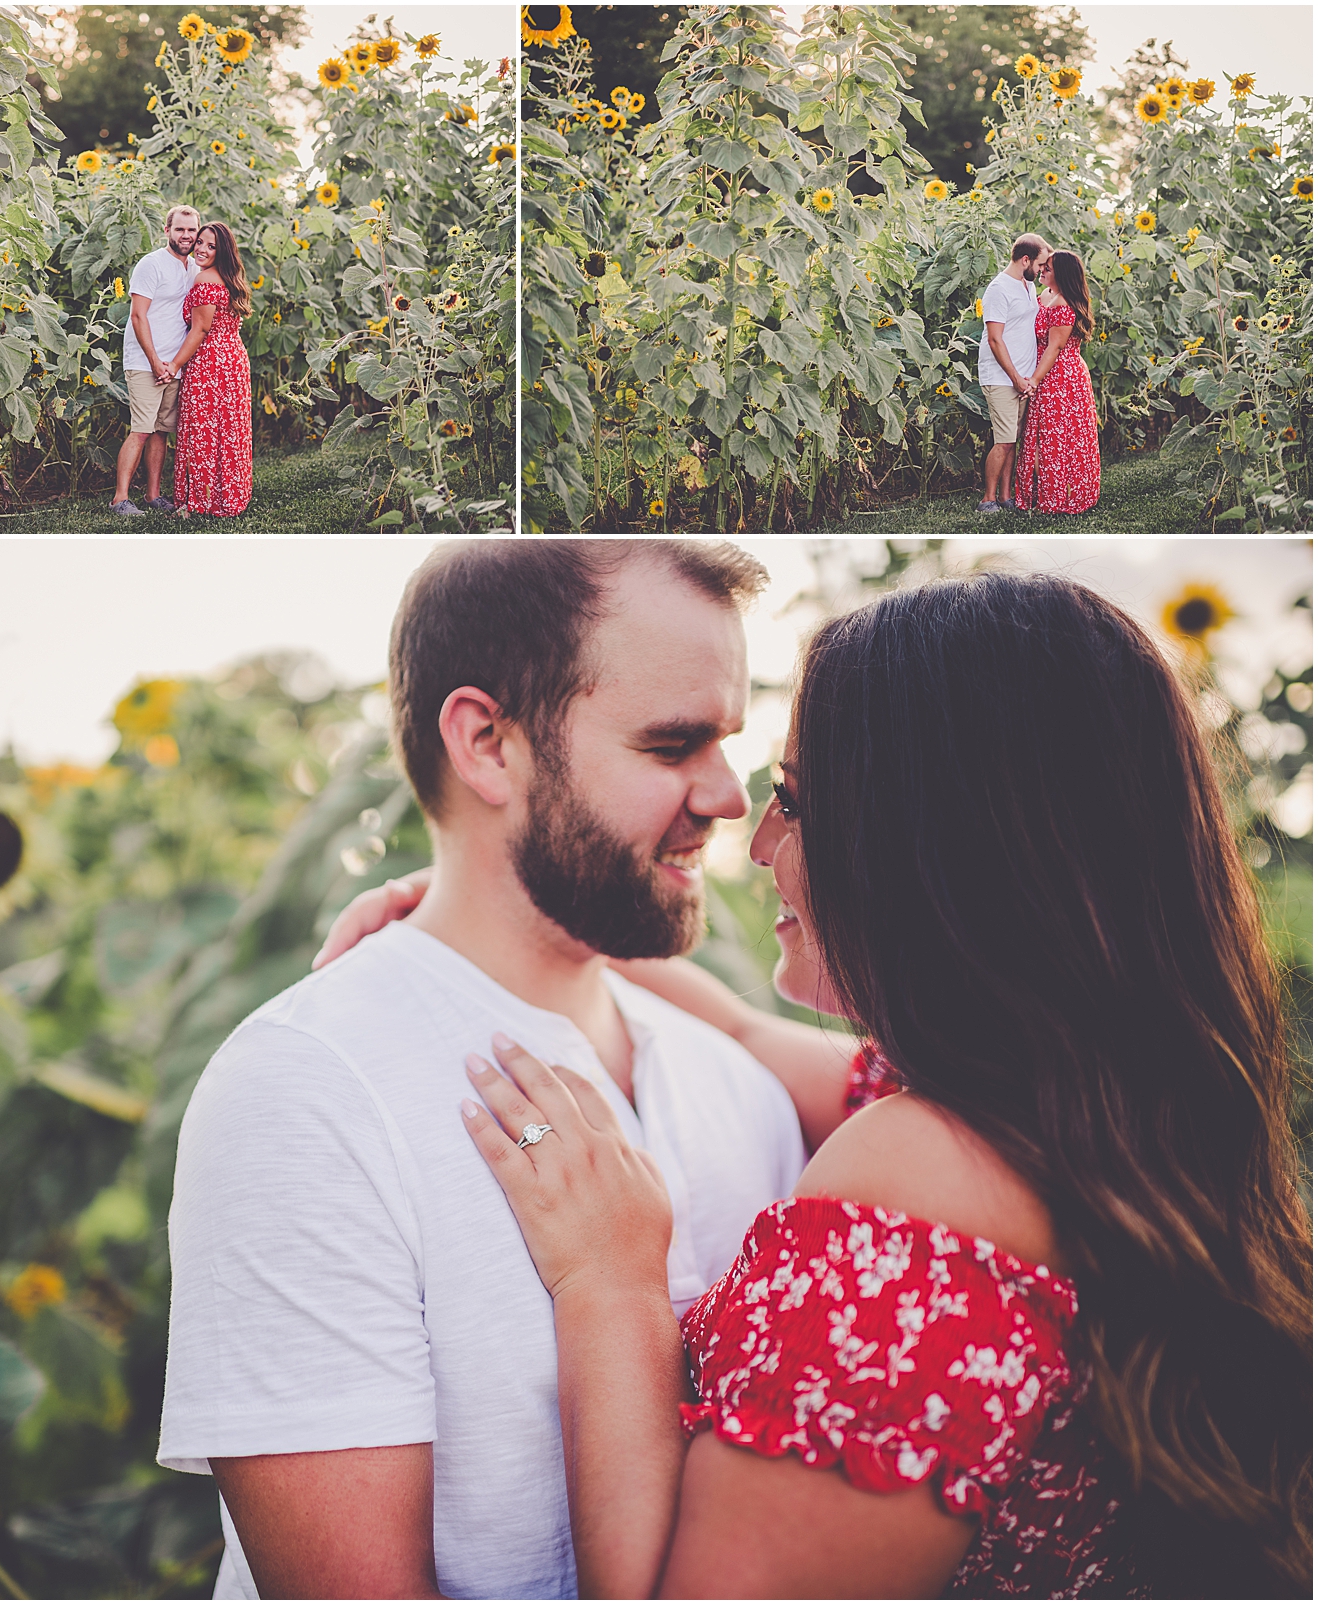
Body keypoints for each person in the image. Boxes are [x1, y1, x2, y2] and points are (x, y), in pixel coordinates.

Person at [453, 572, 1311, 1598]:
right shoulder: (1093, 1113)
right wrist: (489, 902)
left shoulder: (914, 1176)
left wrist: (611, 1285)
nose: (762, 843)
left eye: (797, 803)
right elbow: (742, 1027)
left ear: (939, 845)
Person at [156, 542, 854, 1598]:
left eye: (725, 742)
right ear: (488, 744)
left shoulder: (742, 1084)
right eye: (673, 745)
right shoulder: (305, 1094)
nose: (724, 797)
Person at [111, 205, 199, 517]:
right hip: (146, 362)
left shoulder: (193, 268)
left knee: (161, 430)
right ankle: (120, 498)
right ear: (167, 231)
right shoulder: (151, 265)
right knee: (141, 429)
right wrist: (154, 361)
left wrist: (172, 364)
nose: (186, 235)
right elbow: (138, 316)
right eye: (180, 229)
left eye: (191, 230)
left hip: (173, 364)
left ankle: (152, 495)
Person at [166, 220, 255, 519]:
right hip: (233, 359)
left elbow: (200, 329)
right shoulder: (229, 279)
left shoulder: (204, 280)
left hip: (210, 362)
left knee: (204, 428)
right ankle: (229, 495)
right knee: (227, 430)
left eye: (211, 245)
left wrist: (174, 364)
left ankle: (204, 500)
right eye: (200, 242)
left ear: (223, 251)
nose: (201, 249)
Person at [1014, 248, 1102, 514]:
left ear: (1060, 275)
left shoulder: (1064, 305)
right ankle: (1044, 494)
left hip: (1062, 377)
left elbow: (1054, 347)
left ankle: (1059, 497)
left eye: (1048, 268)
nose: (1042, 270)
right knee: (1043, 434)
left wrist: (1033, 381)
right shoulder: (1046, 295)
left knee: (1058, 437)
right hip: (1048, 373)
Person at [975, 233, 1049, 514]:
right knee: (1004, 440)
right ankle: (987, 499)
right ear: (1025, 259)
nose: (1042, 270)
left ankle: (1006, 497)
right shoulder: (999, 289)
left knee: (1012, 439)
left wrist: (1027, 378)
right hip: (1002, 377)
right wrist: (1017, 378)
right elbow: (995, 339)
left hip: (1022, 379)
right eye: (1040, 265)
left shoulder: (1026, 284)